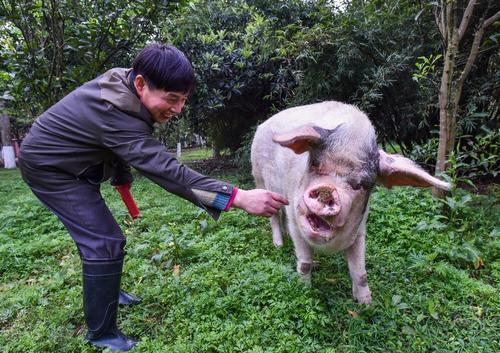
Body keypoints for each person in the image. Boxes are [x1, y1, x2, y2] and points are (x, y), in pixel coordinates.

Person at [18, 42, 288, 351]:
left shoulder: (125, 90)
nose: (177, 110)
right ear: (141, 83)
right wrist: (236, 197)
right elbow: (166, 171)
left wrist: (121, 176)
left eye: (183, 100)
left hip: (74, 162)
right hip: (51, 168)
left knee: (103, 239)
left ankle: (106, 290)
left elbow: (113, 142)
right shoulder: (114, 109)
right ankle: (102, 334)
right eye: (172, 99)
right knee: (104, 241)